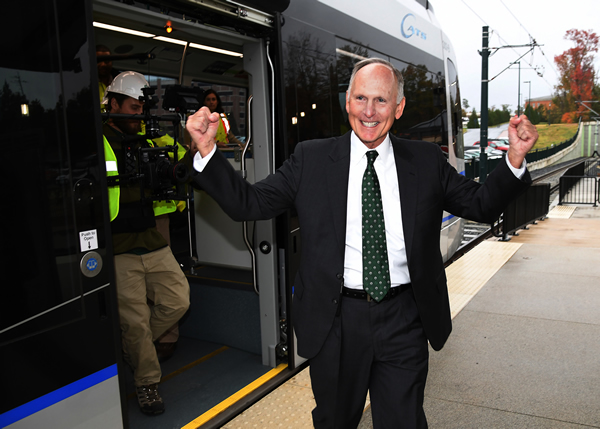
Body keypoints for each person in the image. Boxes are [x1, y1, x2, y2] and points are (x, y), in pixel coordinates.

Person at [186, 58, 538, 428]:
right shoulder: (311, 158)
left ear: (398, 107)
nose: (369, 112)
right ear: (348, 103)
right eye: (360, 98)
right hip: (335, 321)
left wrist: (514, 158)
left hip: (405, 317)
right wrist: (208, 152)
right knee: (335, 421)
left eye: (381, 101)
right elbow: (250, 203)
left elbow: (481, 204)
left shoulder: (425, 161)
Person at [102, 71, 191, 415]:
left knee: (178, 299)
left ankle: (133, 348)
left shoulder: (148, 140)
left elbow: (176, 166)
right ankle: (147, 384)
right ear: (113, 105)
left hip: (150, 239)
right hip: (119, 245)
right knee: (136, 321)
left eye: (142, 109)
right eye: (133, 108)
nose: (139, 116)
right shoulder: (98, 142)